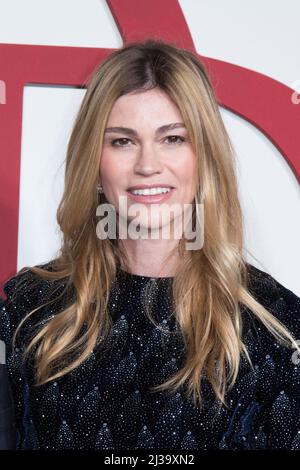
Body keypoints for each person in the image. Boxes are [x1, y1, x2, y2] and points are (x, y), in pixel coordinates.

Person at [0, 38, 300, 451]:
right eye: (122, 141)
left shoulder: (275, 326)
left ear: (205, 156)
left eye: (172, 138)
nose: (147, 165)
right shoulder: (30, 310)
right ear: (94, 160)